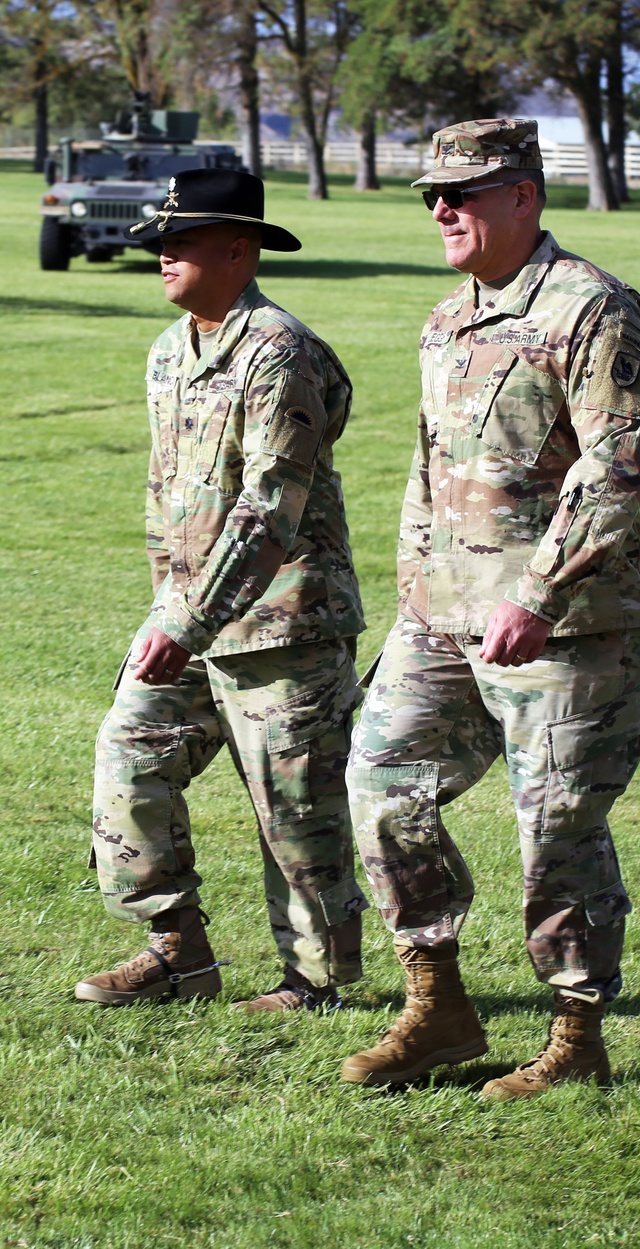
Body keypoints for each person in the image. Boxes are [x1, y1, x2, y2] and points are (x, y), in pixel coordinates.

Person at [339, 118, 640, 1096]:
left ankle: (576, 1038)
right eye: (430, 196)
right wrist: (414, 593)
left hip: (567, 631)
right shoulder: (447, 318)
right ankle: (437, 1004)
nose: (442, 209)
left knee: (555, 831)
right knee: (378, 786)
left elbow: (615, 473)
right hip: (440, 619)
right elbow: (429, 469)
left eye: (464, 192)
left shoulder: (593, 311)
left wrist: (535, 592)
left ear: (523, 196)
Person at [75, 169, 368, 1012]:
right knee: (129, 755)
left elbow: (269, 504)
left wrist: (191, 616)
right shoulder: (170, 352)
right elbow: (171, 496)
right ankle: (178, 949)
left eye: (180, 241)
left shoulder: (281, 351)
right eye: (159, 242)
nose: (162, 255)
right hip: (187, 621)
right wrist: (172, 608)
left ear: (238, 250)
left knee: (294, 814)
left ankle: (314, 984)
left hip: (285, 624)